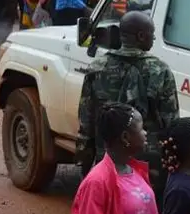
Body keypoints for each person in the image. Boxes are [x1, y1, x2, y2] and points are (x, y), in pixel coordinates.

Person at [77, 11, 180, 199]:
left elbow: (86, 124)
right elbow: (171, 125)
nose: (154, 38)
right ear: (141, 36)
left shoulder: (97, 67)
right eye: (152, 33)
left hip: (107, 161)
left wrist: (85, 168)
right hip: (148, 166)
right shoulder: (160, 71)